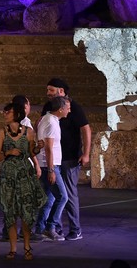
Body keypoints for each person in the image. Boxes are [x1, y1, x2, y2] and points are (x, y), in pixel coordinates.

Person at [0, 102, 46, 260]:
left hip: (24, 175)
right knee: (10, 213)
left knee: (26, 213)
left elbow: (31, 152)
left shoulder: (28, 132)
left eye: (7, 112)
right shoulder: (1, 132)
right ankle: (13, 248)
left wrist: (38, 148)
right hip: (8, 176)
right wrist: (8, 152)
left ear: (16, 114)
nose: (5, 114)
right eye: (4, 112)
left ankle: (27, 246)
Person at [47, 78, 91, 241]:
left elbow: (86, 129)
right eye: (47, 90)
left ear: (61, 91)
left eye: (51, 90)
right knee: (54, 194)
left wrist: (86, 153)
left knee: (69, 194)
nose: (48, 93)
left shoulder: (74, 108)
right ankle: (55, 227)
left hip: (70, 158)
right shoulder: (49, 107)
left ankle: (75, 229)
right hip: (54, 158)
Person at [35, 95, 70, 241]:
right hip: (50, 165)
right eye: (67, 108)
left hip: (48, 164)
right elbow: (48, 147)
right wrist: (51, 170)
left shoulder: (48, 119)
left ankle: (40, 229)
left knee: (49, 199)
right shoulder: (51, 122)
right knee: (62, 197)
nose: (69, 110)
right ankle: (50, 226)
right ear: (61, 109)